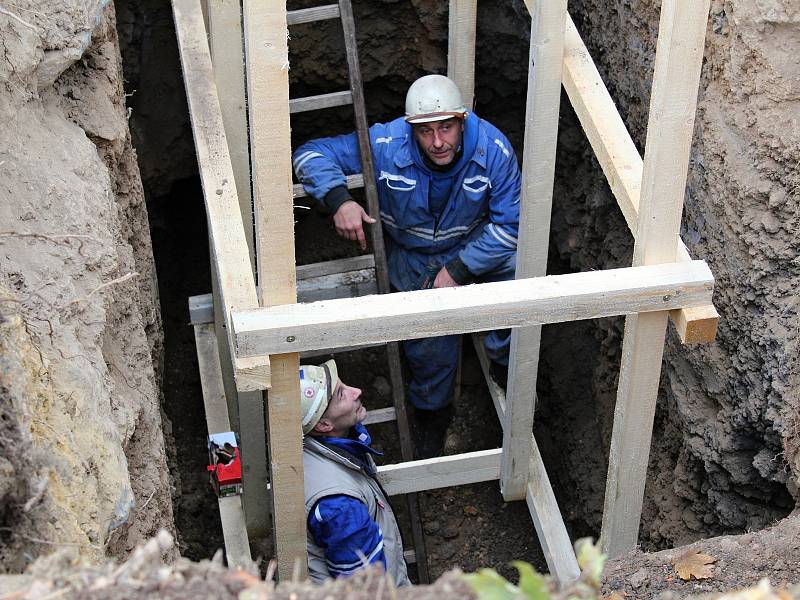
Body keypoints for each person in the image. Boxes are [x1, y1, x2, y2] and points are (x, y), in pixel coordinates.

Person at [294, 74, 521, 457]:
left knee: (519, 273)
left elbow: (511, 225)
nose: (437, 142)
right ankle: (433, 418)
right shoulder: (386, 143)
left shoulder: (493, 149)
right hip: (412, 257)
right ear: (410, 129)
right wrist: (339, 200)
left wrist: (458, 272)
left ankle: (504, 363)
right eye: (425, 131)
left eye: (446, 128)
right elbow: (310, 153)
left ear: (462, 121)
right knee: (430, 341)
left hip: (474, 248)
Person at [300, 359, 410, 586]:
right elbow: (367, 590)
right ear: (323, 426)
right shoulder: (339, 505)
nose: (357, 391)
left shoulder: (322, 451)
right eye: (342, 394)